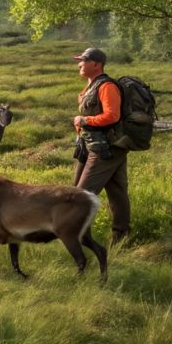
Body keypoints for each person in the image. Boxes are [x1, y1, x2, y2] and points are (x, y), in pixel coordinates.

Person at [71, 47, 130, 245]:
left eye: (83, 61)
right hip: (92, 146)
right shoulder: (91, 86)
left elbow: (112, 115)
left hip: (105, 149)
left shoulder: (106, 86)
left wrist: (84, 120)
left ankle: (81, 239)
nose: (79, 64)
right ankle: (121, 239)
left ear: (96, 64)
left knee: (80, 196)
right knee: (117, 193)